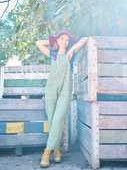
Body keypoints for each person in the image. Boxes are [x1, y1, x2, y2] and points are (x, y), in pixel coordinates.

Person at [36, 31, 88, 168]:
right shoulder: (52, 55)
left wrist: (71, 47)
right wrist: (53, 41)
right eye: (61, 39)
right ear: (57, 41)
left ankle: (47, 152)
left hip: (65, 91)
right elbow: (38, 43)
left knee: (58, 119)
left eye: (66, 39)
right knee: (53, 120)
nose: (64, 41)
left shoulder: (70, 55)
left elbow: (84, 39)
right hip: (51, 90)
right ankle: (57, 149)